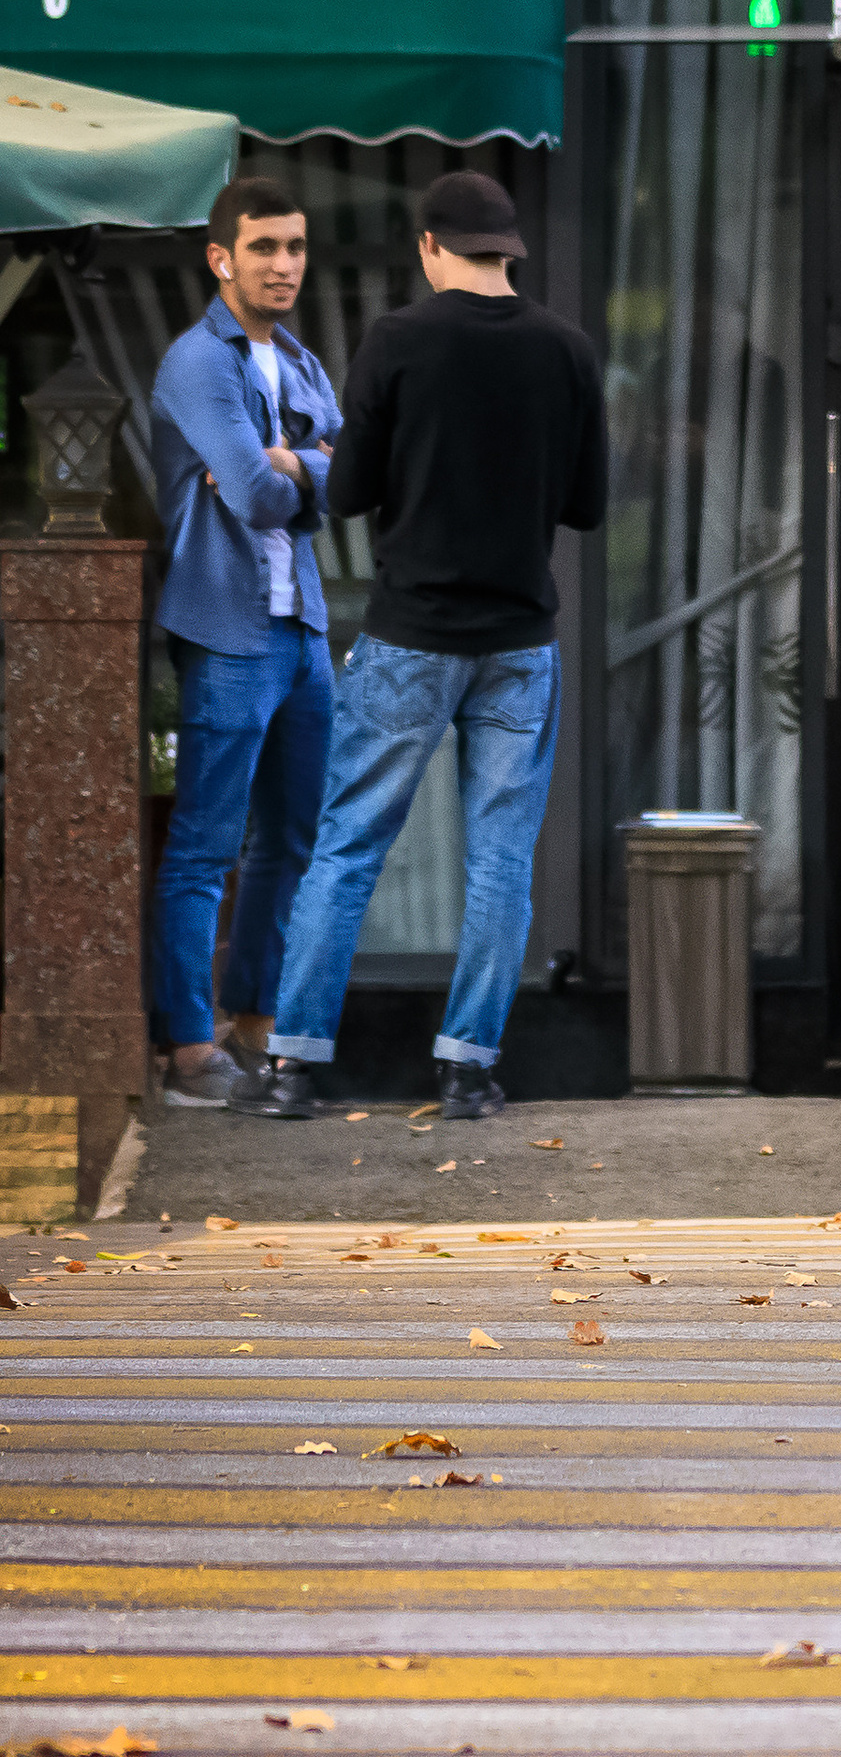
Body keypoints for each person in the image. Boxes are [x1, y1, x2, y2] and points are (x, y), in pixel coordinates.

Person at [233, 171, 606, 1120]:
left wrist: (322, 462)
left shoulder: (397, 340)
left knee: (348, 847)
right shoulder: (568, 350)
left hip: (410, 638)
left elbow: (351, 491)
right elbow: (587, 505)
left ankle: (294, 1069)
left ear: (431, 247)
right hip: (520, 643)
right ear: (507, 250)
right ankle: (468, 1071)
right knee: (500, 863)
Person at [147, 176, 341, 1107]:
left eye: (295, 246)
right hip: (227, 629)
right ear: (221, 258)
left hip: (302, 628)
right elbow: (262, 500)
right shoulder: (198, 363)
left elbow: (354, 476)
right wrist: (305, 471)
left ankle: (254, 1027)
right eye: (264, 247)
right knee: (203, 847)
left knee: (292, 839)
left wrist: (290, 463)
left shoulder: (299, 361)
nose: (283, 264)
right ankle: (189, 1049)